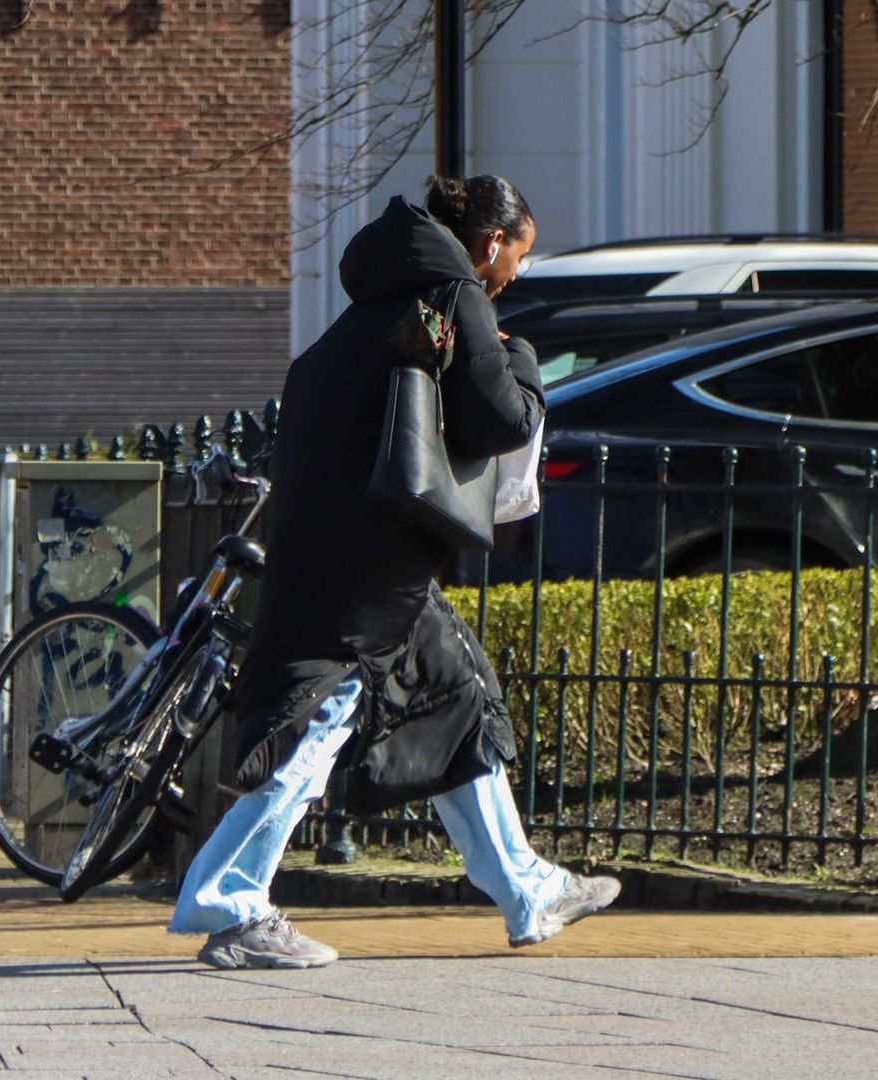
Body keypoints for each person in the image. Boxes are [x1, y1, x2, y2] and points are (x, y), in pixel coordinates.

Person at [170, 175, 620, 970]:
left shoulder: (384, 292)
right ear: (490, 244)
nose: (515, 275)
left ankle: (526, 888)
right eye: (517, 257)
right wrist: (521, 353)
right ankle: (230, 902)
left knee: (456, 694)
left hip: (343, 536)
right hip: (368, 560)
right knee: (321, 717)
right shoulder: (454, 291)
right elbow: (504, 417)